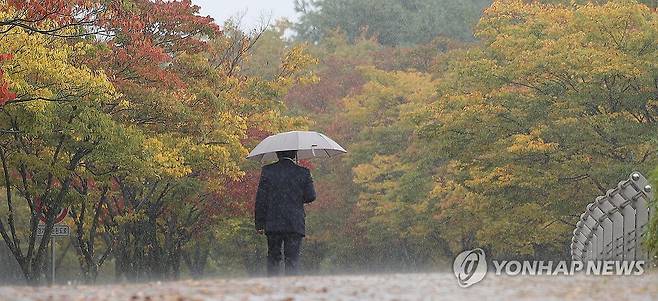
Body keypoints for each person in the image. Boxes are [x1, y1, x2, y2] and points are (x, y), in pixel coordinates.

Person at [255, 150, 316, 276]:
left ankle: (272, 287)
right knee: (292, 259)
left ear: (277, 154)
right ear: (294, 155)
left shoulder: (268, 171)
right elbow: (311, 196)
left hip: (273, 221)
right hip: (294, 222)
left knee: (273, 257)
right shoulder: (303, 172)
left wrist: (260, 223)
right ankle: (291, 288)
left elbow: (261, 199)